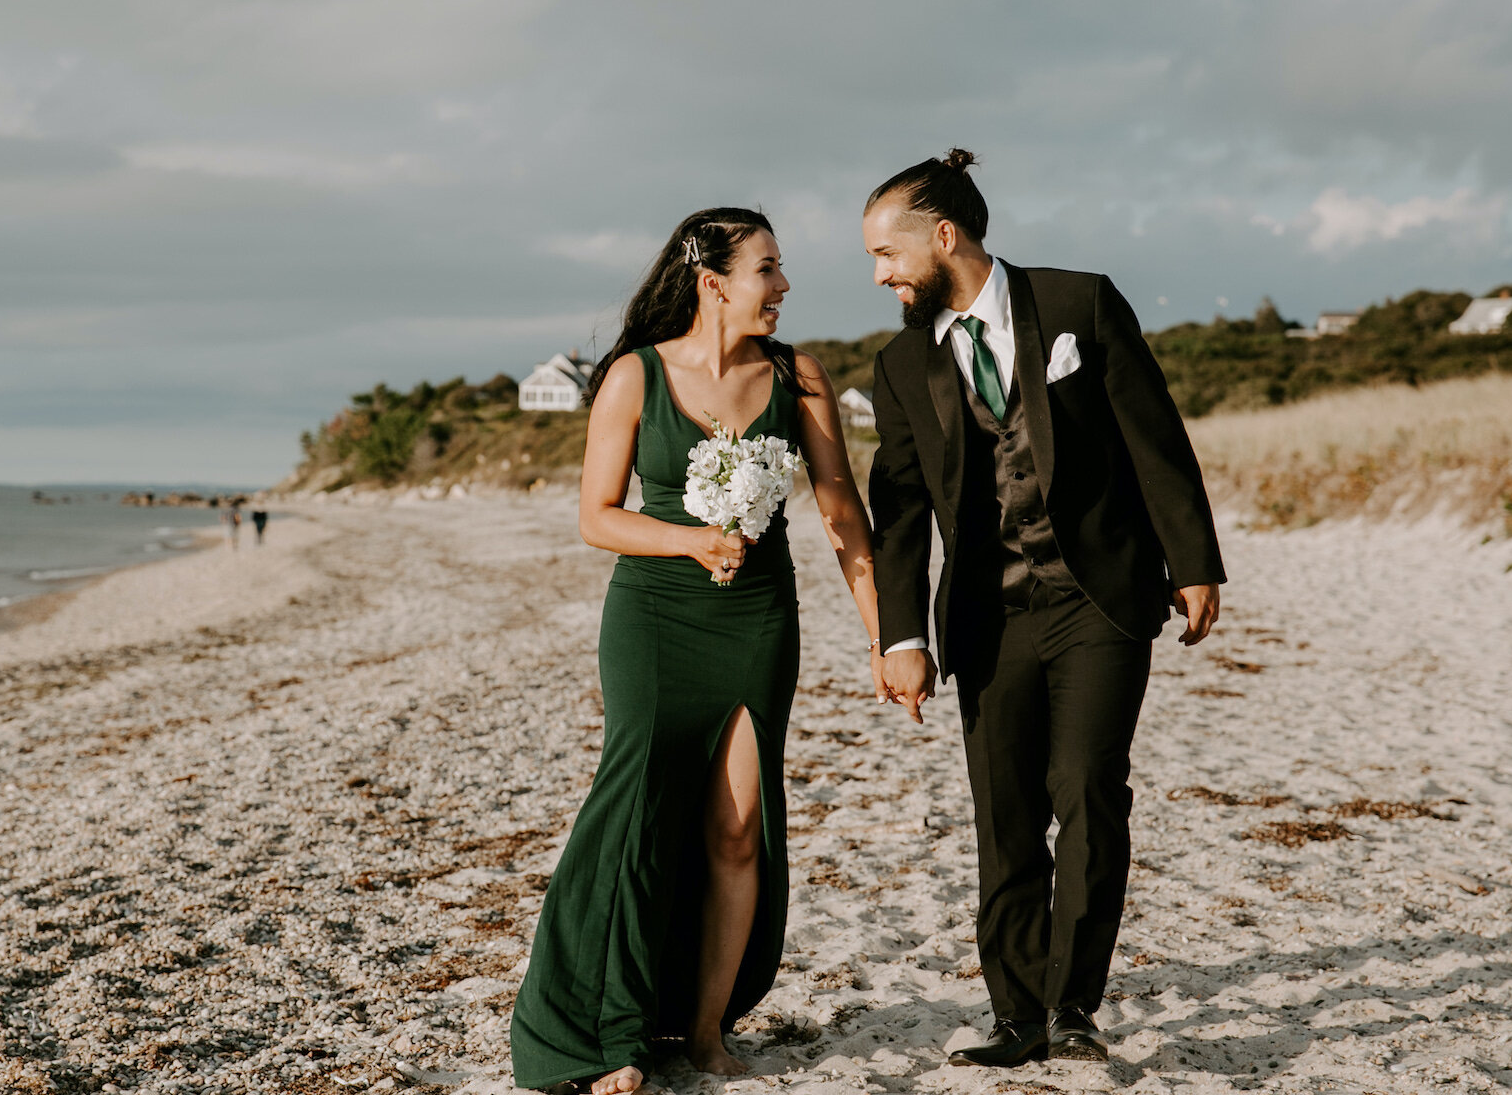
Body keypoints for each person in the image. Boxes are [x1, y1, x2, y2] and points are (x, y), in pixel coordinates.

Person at [510, 208, 885, 1095]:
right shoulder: (635, 378)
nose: (784, 286)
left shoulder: (800, 376)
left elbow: (840, 512)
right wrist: (689, 540)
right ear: (714, 281)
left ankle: (708, 1030)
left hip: (758, 620)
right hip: (653, 618)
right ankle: (604, 1032)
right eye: (768, 269)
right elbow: (596, 516)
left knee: (738, 829)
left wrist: (885, 638)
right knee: (635, 817)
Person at [863, 150, 1225, 1067]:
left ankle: (1074, 1008)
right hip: (987, 618)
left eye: (886, 252)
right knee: (1007, 814)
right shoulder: (903, 362)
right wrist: (900, 634)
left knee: (1090, 792)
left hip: (1097, 596)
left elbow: (1155, 437)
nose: (881, 274)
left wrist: (1193, 560)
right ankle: (1016, 1015)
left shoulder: (1077, 305)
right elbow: (899, 510)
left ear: (944, 235)